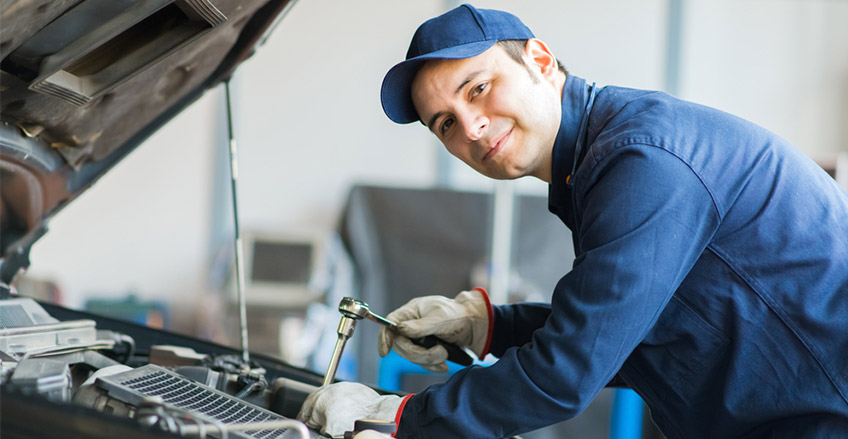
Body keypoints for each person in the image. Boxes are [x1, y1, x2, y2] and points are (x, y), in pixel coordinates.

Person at [298, 4, 848, 438]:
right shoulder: (592, 164)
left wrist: (400, 418)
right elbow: (636, 336)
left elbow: (569, 370)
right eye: (445, 123)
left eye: (478, 89)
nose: (470, 127)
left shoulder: (641, 160)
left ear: (540, 60)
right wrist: (490, 326)